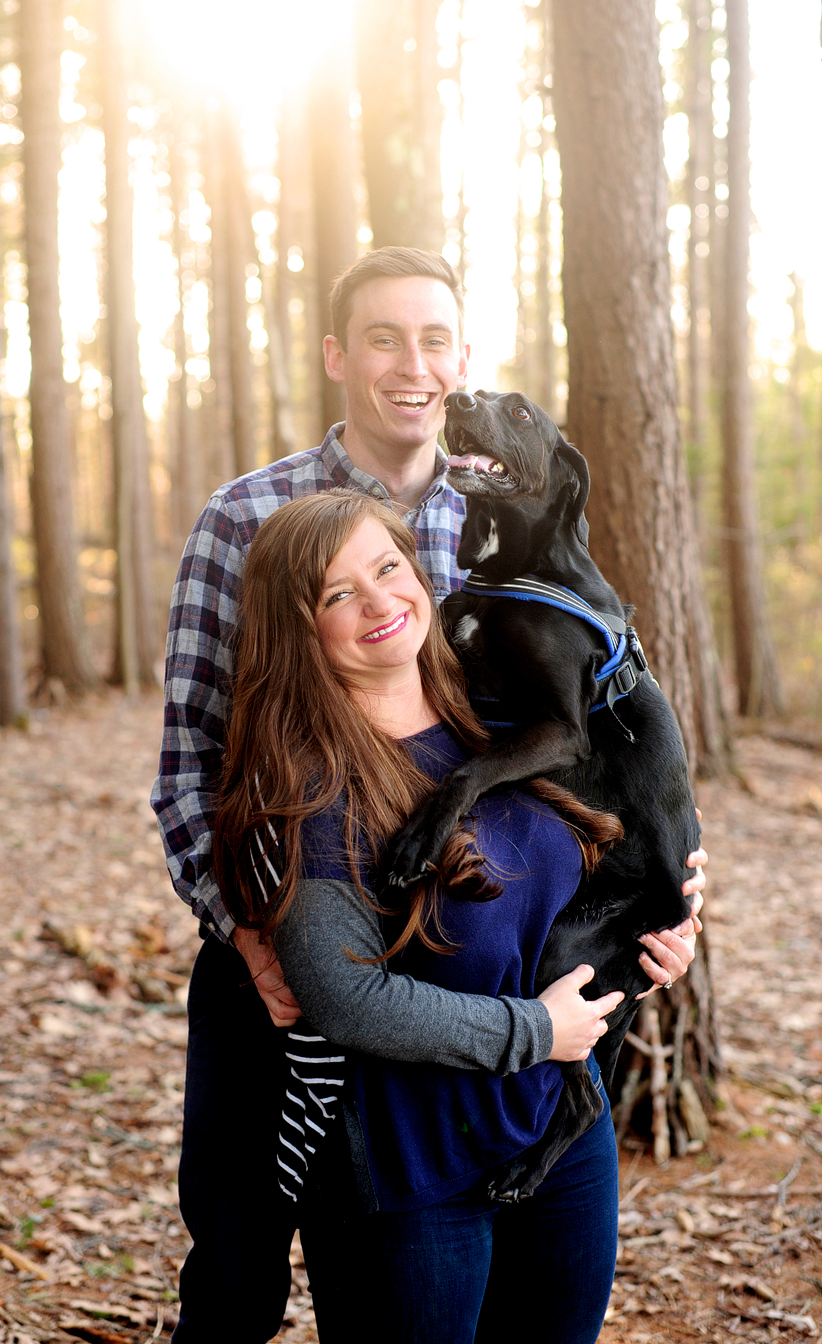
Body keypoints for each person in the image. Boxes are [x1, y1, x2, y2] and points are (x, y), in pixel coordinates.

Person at [151, 247, 708, 1341]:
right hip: (300, 927)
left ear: (461, 360)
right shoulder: (247, 515)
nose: (414, 365)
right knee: (237, 1265)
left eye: (436, 340)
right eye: (383, 338)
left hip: (475, 935)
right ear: (337, 357)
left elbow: (583, 733)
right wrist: (255, 934)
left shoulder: (505, 508)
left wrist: (663, 885)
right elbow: (188, 767)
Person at [213, 488, 700, 1343]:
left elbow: (602, 842)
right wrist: (535, 1032)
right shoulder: (308, 788)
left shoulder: (495, 716)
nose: (378, 601)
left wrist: (668, 916)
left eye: (388, 567)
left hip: (558, 1130)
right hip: (412, 1176)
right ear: (301, 627)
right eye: (337, 594)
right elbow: (345, 998)